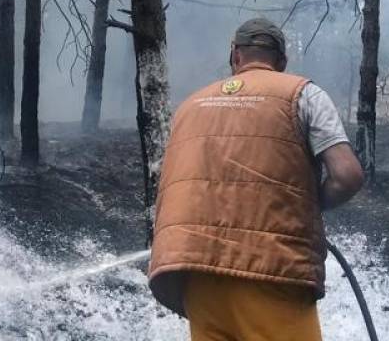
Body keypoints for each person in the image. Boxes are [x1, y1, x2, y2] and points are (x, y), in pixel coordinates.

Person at [148, 18, 366, 341]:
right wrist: (304, 205)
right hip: (271, 272)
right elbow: (347, 175)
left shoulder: (189, 108)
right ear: (281, 62)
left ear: (235, 56)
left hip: (198, 277)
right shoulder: (303, 95)